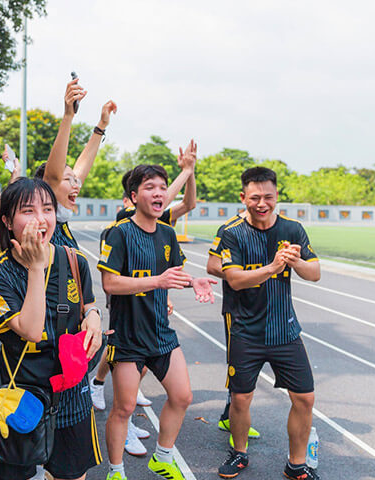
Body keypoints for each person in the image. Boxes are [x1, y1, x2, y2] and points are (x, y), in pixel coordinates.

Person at [0, 177, 104, 480]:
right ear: (7, 221)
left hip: (70, 391)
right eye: (28, 211)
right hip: (21, 395)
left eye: (47, 209)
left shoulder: (73, 260)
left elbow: (87, 303)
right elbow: (31, 330)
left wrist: (94, 316)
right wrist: (36, 266)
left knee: (71, 475)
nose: (41, 219)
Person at [97, 164, 216, 480]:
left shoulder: (167, 233)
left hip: (161, 333)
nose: (159, 192)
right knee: (124, 408)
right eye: (150, 187)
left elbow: (173, 274)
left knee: (182, 396)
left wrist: (193, 281)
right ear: (134, 196)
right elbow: (110, 283)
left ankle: (162, 457)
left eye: (163, 187)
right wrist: (156, 281)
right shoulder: (119, 233)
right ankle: (116, 471)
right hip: (128, 336)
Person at [216, 167, 320, 480]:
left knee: (305, 398)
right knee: (241, 399)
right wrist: (273, 267)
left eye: (268, 197)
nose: (262, 203)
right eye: (255, 197)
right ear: (243, 197)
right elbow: (234, 279)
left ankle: (296, 464)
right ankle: (239, 453)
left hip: (285, 330)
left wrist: (296, 262)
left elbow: (315, 273)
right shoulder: (232, 233)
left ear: (277, 196)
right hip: (246, 331)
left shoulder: (292, 229)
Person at [35, 77, 115, 250]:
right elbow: (53, 177)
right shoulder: (41, 227)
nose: (76, 185)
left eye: (75, 180)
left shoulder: (62, 225)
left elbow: (81, 168)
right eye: (67, 180)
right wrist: (68, 116)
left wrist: (101, 126)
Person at [205, 211, 262, 448]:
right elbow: (212, 266)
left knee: (252, 369)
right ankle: (232, 420)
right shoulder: (229, 228)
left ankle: (230, 417)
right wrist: (242, 274)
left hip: (265, 310)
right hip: (238, 310)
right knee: (238, 367)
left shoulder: (270, 227)